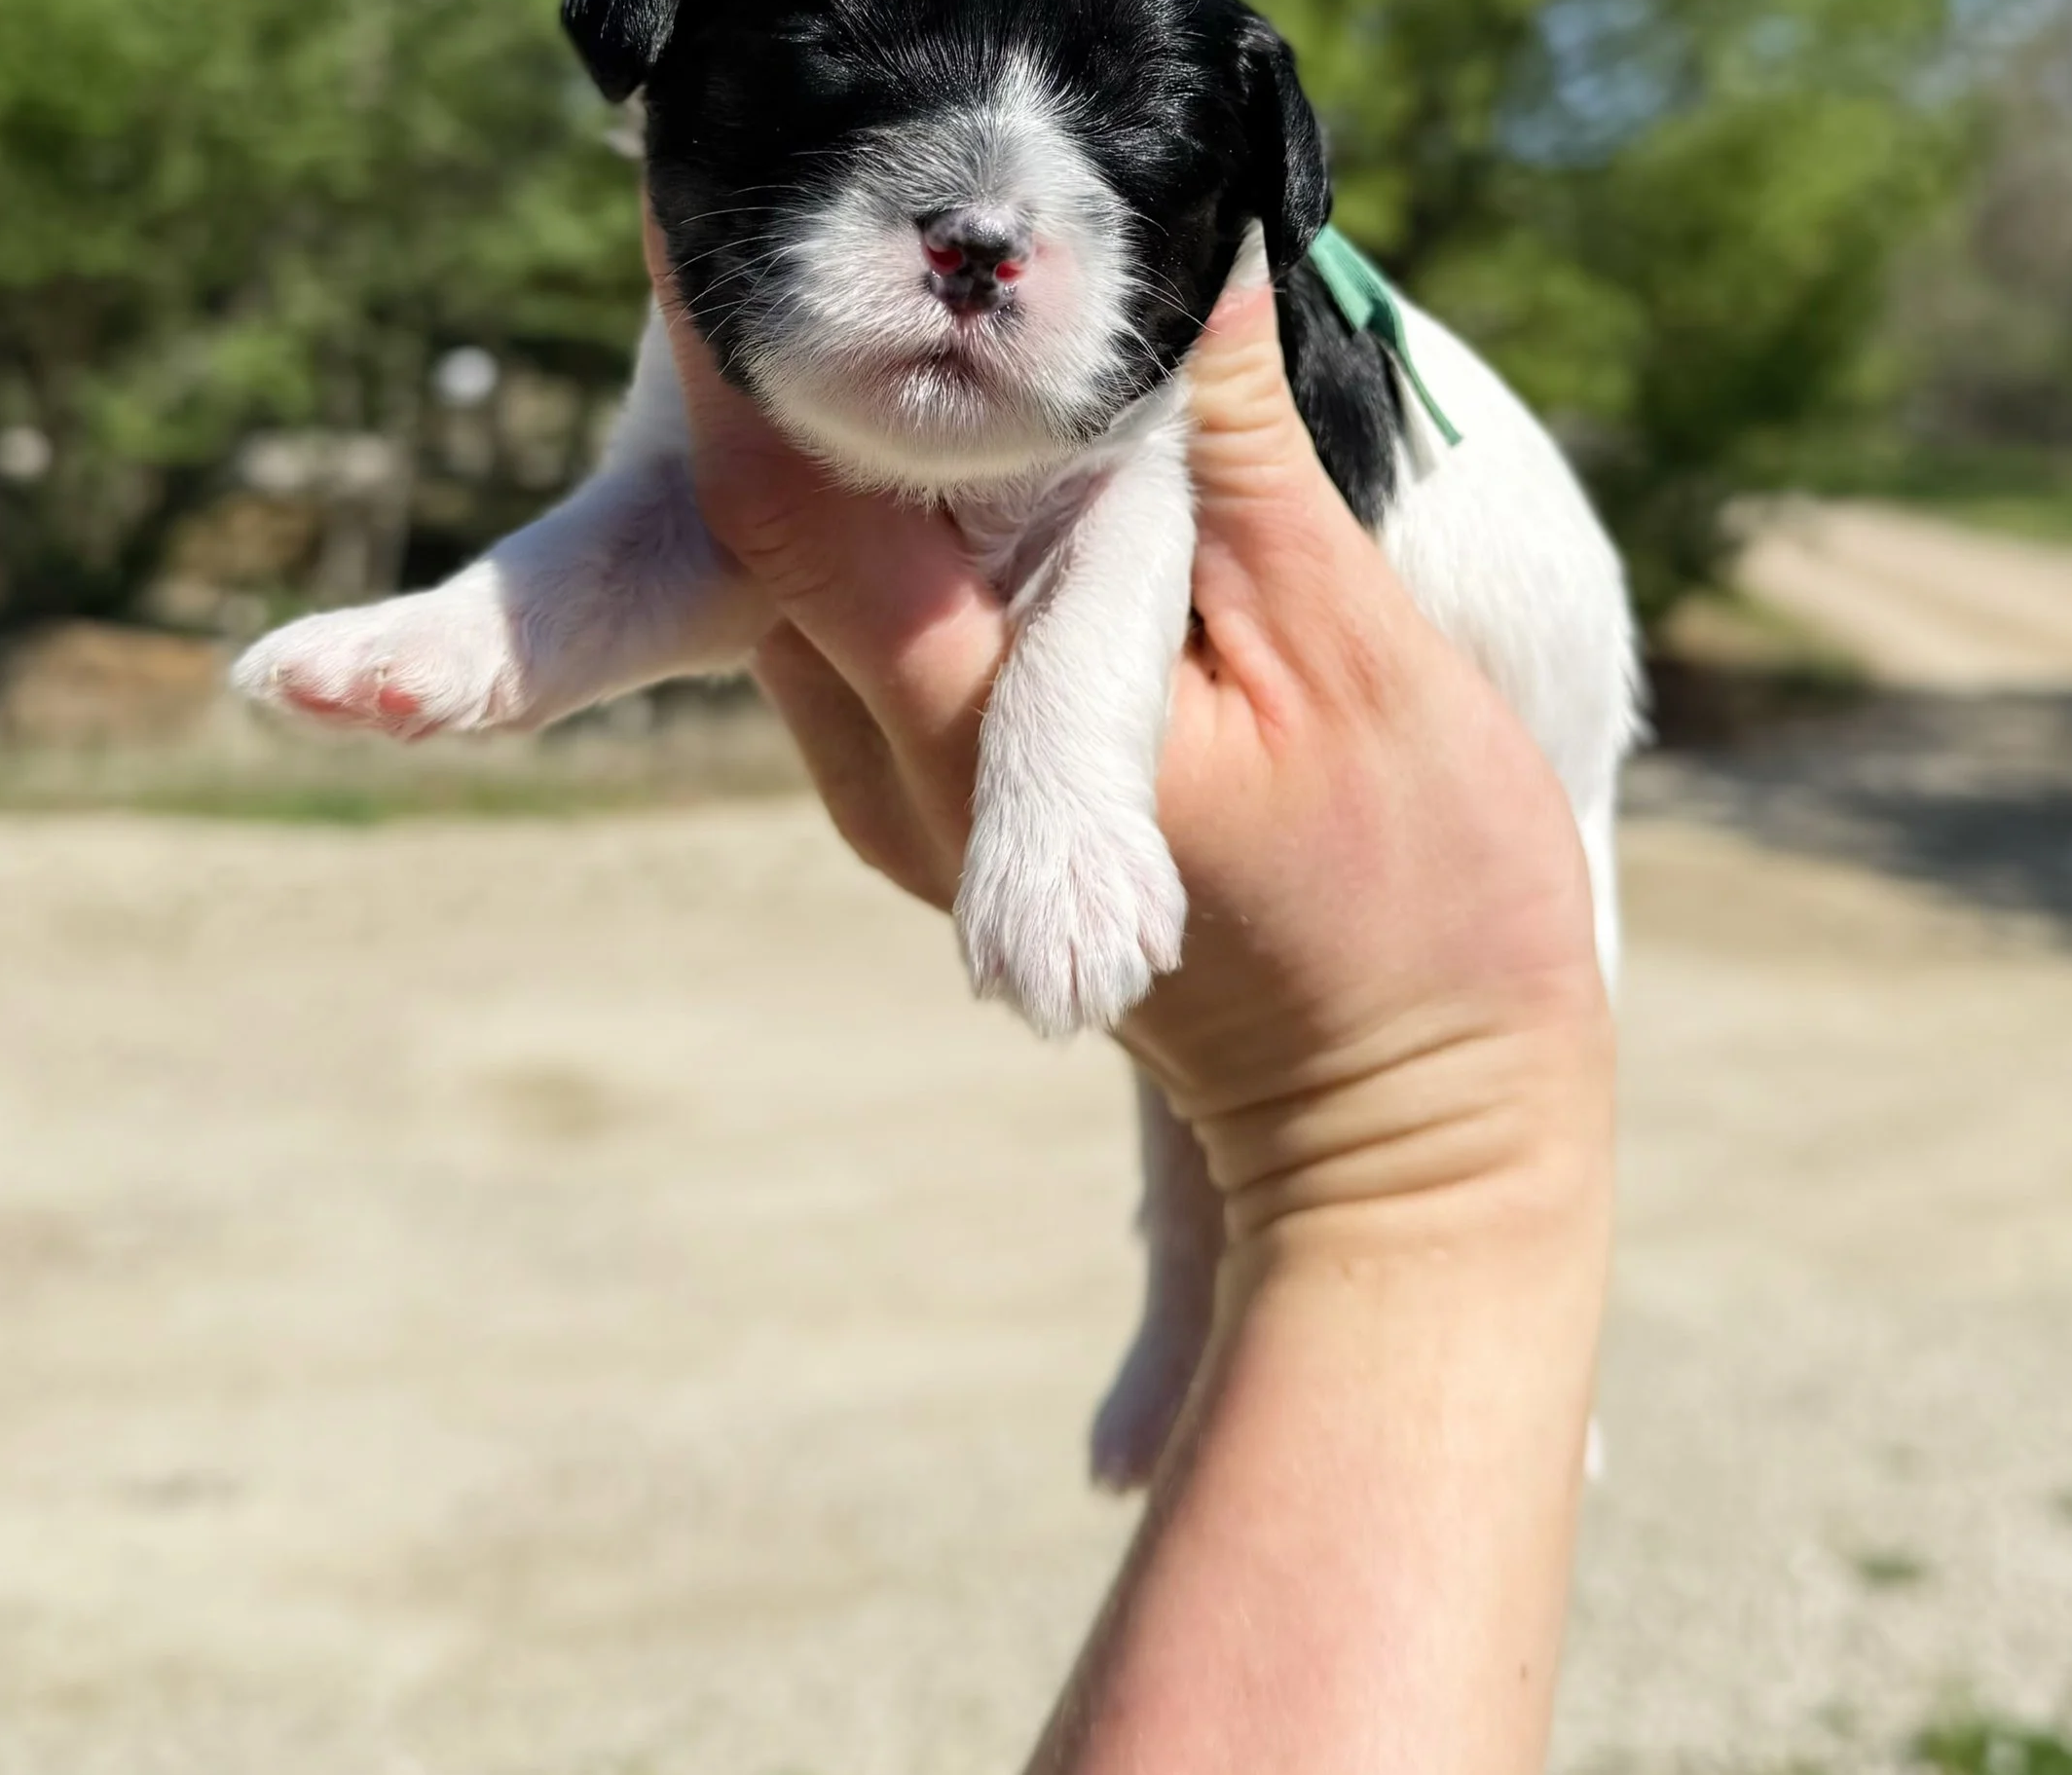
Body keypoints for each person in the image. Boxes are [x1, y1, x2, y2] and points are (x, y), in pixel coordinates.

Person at [653, 214, 1616, 1775]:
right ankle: (1217, 1315)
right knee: (1153, 980)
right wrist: (1446, 1170)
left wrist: (1425, 1134)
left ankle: (1284, 1329)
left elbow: (1147, 494)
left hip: (1493, 708)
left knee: (1154, 960)